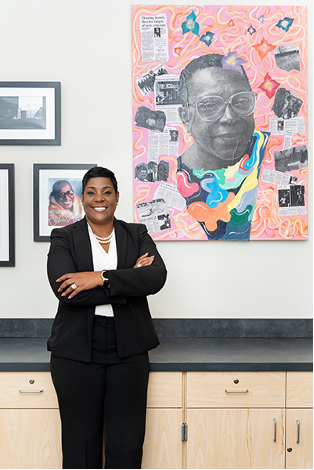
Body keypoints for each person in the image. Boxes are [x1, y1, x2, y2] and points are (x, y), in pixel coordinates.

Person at [47, 166, 167, 469]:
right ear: (81, 198)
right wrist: (128, 282)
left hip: (128, 348)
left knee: (126, 446)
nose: (99, 198)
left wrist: (99, 277)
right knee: (80, 447)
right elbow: (67, 290)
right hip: (75, 350)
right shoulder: (63, 237)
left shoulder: (136, 233)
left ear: (116, 198)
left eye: (106, 192)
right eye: (91, 192)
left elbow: (155, 277)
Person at [177, 53, 270, 240]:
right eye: (210, 105)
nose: (230, 117)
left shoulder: (271, 154)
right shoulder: (172, 182)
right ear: (186, 116)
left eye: (242, 101)